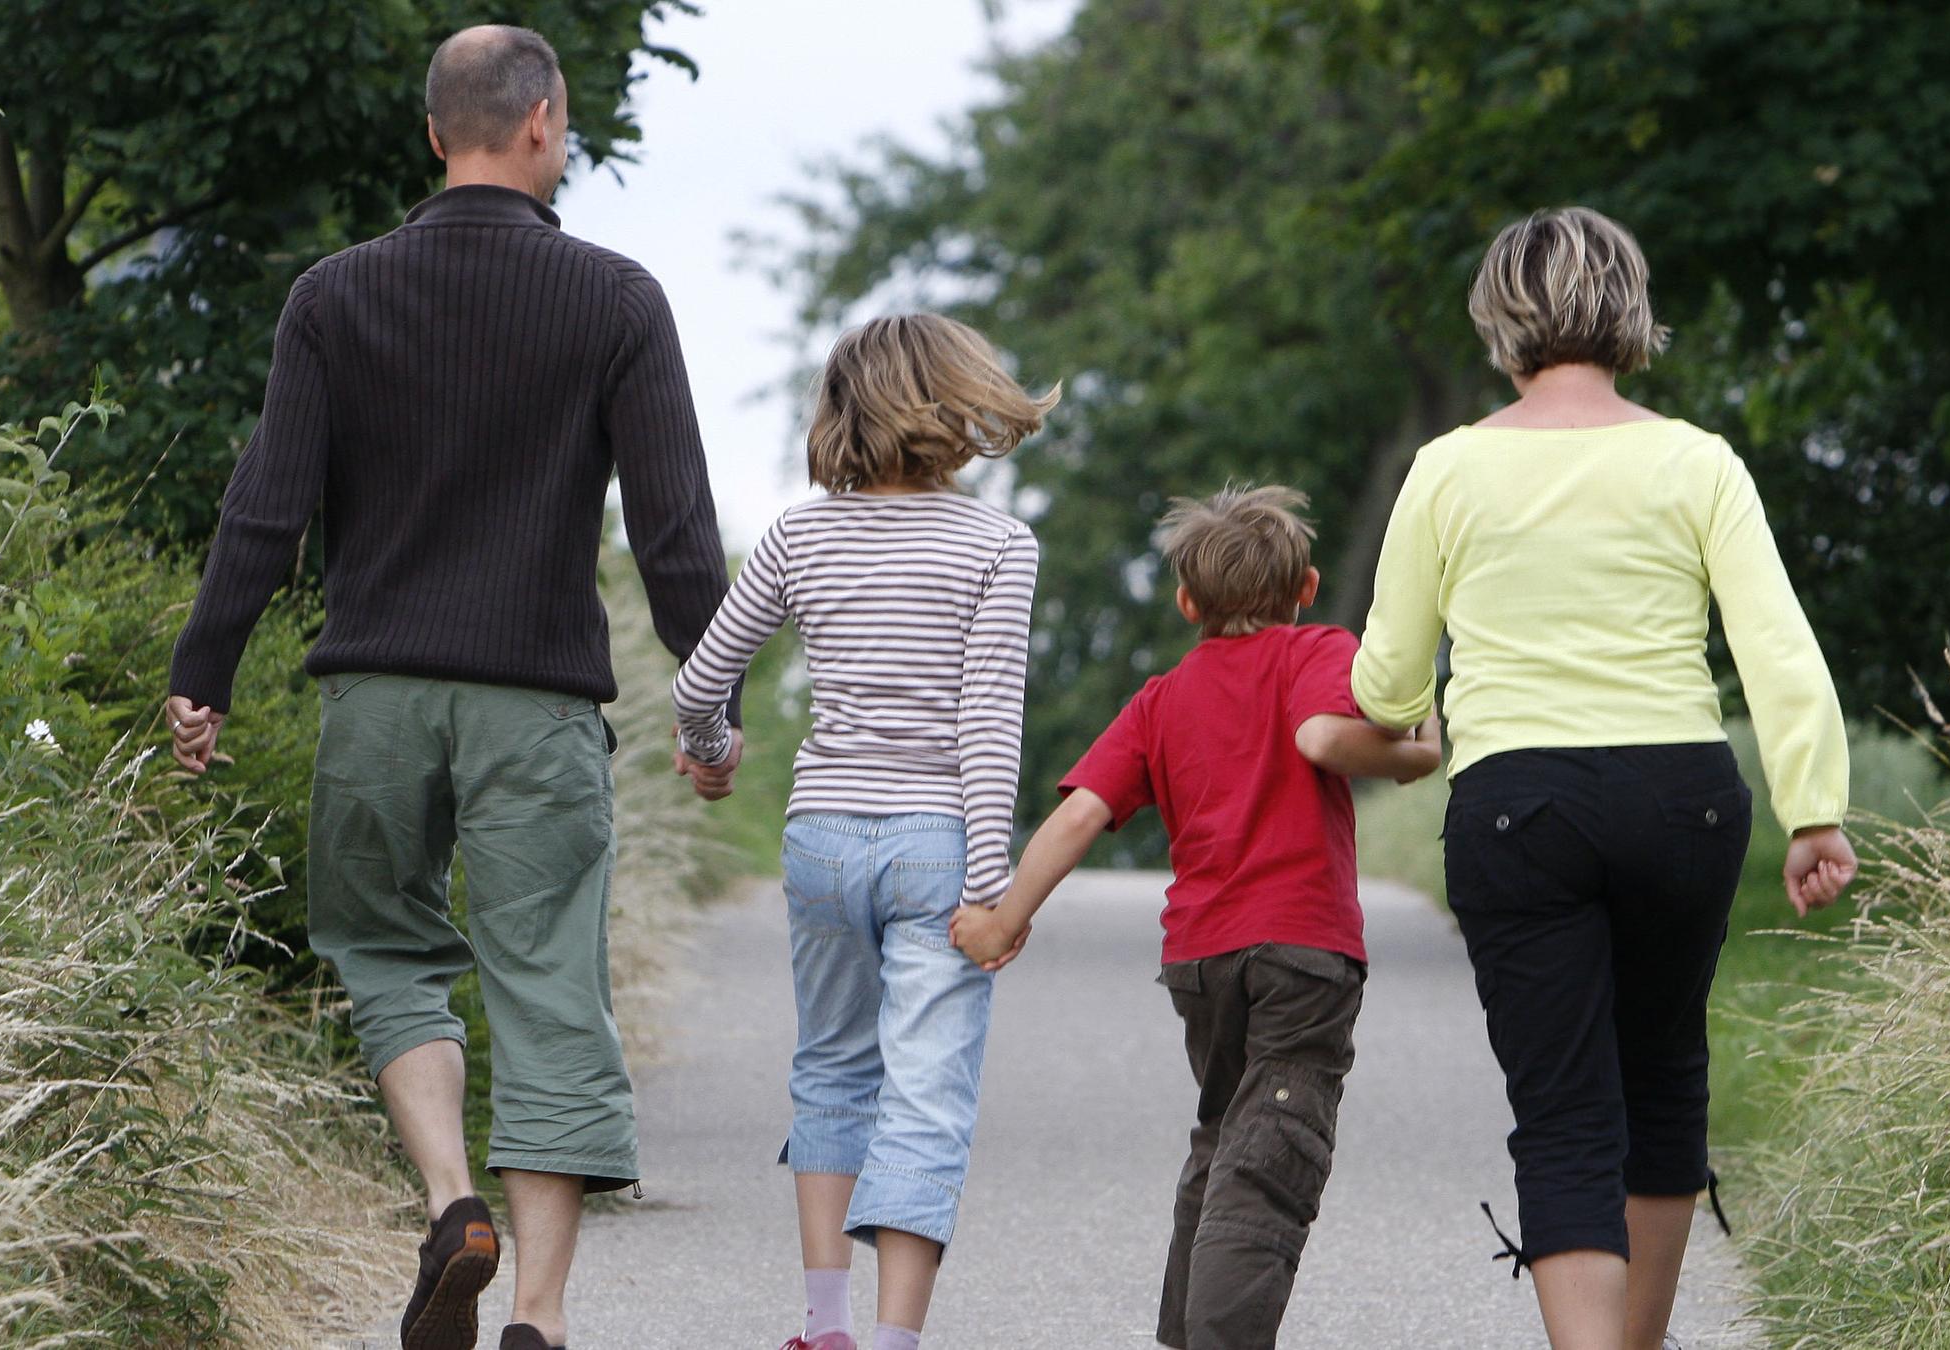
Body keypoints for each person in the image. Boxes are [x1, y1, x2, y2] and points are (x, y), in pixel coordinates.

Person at [162, 25, 734, 1350]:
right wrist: (711, 712)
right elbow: (674, 536)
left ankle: (449, 1197)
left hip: (376, 695)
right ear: (539, 122)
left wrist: (205, 675)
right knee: (548, 987)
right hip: (536, 707)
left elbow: (267, 508)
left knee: (383, 950)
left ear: (436, 133)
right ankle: (535, 1314)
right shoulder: (619, 300)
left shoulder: (334, 295)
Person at [1348, 206, 1858, 1350]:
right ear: (1630, 312)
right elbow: (1777, 646)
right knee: (1665, 1080)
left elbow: (1386, 683)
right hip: (1684, 799)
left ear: (1498, 321)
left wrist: (1404, 703)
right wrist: (1814, 810)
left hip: (1519, 804)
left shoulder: (1449, 468)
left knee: (1567, 1112)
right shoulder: (1697, 462)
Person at [951, 486, 1442, 1350]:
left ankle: (1184, 1337)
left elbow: (1077, 816)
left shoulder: (1160, 698)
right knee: (1270, 1156)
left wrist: (1001, 921)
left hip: (1203, 964)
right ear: (1306, 588)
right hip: (1303, 953)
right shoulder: (1317, 650)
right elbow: (1332, 736)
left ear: (1186, 602)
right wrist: (1417, 749)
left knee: (1228, 1134)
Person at [668, 314, 1056, 1350]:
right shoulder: (998, 544)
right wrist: (990, 889)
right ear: (957, 405)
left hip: (822, 838)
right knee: (924, 1090)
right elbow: (986, 723)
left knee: (833, 1067)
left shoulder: (801, 533)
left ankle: (824, 1327)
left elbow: (702, 679)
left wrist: (712, 752)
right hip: (936, 842)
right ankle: (895, 1341)